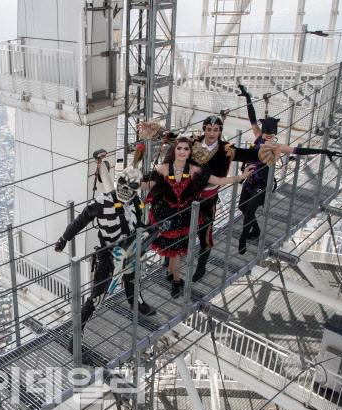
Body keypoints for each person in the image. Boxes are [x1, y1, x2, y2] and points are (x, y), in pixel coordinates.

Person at [138, 117, 280, 283]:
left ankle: (201, 266)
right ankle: (171, 263)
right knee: (178, 230)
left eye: (216, 130)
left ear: (220, 131)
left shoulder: (227, 149)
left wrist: (269, 151)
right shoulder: (193, 142)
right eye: (209, 129)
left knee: (205, 235)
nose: (212, 133)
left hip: (207, 199)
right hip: (188, 197)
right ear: (204, 130)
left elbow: (248, 154)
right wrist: (155, 129)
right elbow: (174, 138)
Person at [54, 166, 156, 363]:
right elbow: (81, 219)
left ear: (138, 188)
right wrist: (64, 238)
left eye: (132, 185)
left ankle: (136, 302)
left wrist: (151, 230)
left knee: (133, 278)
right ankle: (74, 340)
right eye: (123, 182)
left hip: (131, 251)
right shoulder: (102, 202)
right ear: (118, 181)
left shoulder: (136, 202)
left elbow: (137, 225)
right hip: (109, 257)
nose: (126, 188)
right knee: (96, 298)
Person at [142, 136, 257, 296]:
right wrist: (130, 182)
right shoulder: (164, 168)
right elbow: (149, 184)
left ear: (190, 152)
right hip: (166, 212)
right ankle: (173, 276)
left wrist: (239, 177)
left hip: (184, 215)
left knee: (176, 248)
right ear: (174, 150)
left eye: (186, 149)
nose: (182, 151)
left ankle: (173, 276)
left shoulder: (195, 170)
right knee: (172, 247)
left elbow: (217, 180)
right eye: (179, 148)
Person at [236, 84, 341, 254]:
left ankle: (242, 239)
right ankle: (256, 231)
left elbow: (299, 151)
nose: (269, 136)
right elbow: (252, 118)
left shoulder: (278, 146)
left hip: (262, 182)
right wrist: (248, 97)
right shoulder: (257, 136)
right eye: (267, 133)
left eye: (272, 133)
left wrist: (323, 150)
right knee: (242, 206)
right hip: (250, 178)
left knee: (249, 210)